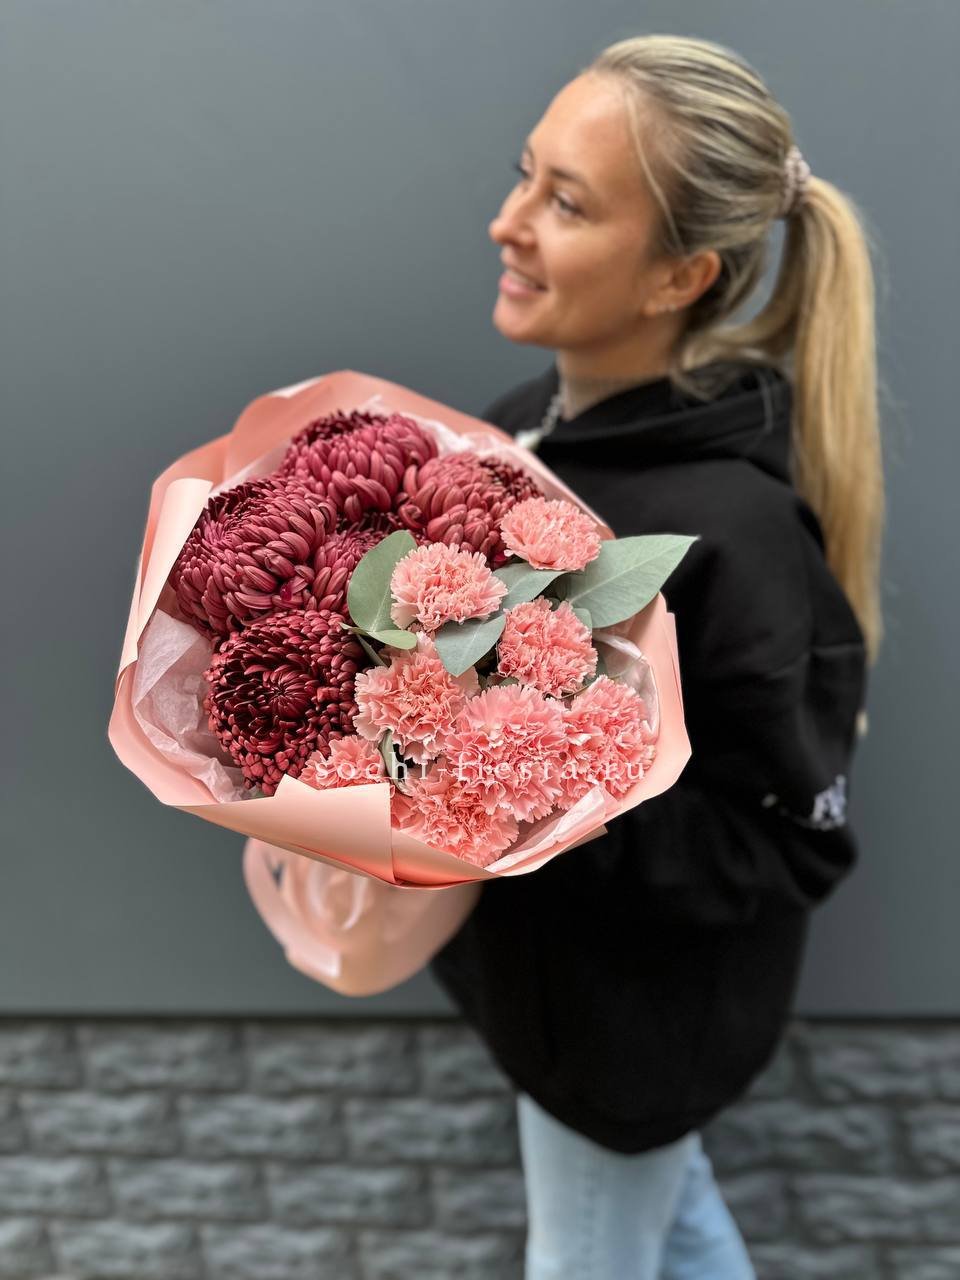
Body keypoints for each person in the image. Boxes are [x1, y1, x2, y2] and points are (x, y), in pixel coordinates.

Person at [428, 32, 884, 1280]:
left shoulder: (740, 534)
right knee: (681, 1235)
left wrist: (538, 784)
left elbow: (792, 839)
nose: (508, 223)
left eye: (568, 204)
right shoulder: (519, 429)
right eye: (524, 175)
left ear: (681, 275)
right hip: (541, 994)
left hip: (628, 1032)